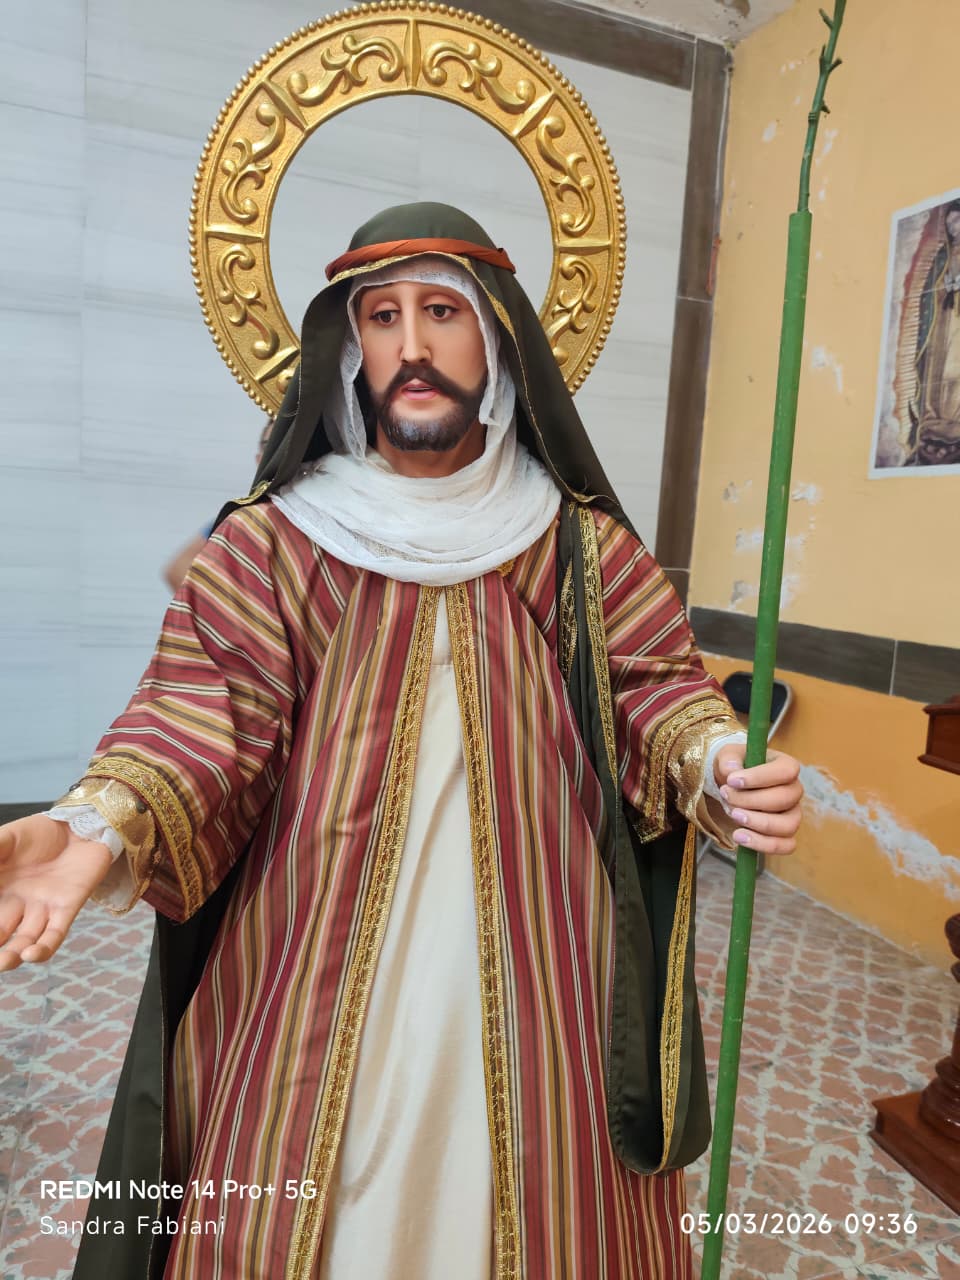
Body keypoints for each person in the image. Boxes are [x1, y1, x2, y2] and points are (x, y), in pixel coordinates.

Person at [0, 203, 803, 1279]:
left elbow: (652, 688)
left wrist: (718, 761)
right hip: (311, 949)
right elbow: (203, 713)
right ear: (352, 349)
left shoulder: (577, 543)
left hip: (544, 954)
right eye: (383, 316)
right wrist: (95, 826)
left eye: (442, 311)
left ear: (498, 339)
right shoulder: (276, 543)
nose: (413, 344)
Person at [161, 416, 276, 591]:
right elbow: (176, 571)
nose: (278, 454)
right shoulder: (240, 517)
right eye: (270, 446)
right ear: (258, 459)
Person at [908, 198, 960, 466]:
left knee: (955, 368)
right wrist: (944, 287)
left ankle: (955, 421)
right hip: (943, 321)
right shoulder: (943, 256)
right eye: (951, 223)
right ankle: (934, 418)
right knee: (937, 369)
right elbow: (930, 291)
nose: (955, 228)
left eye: (958, 221)